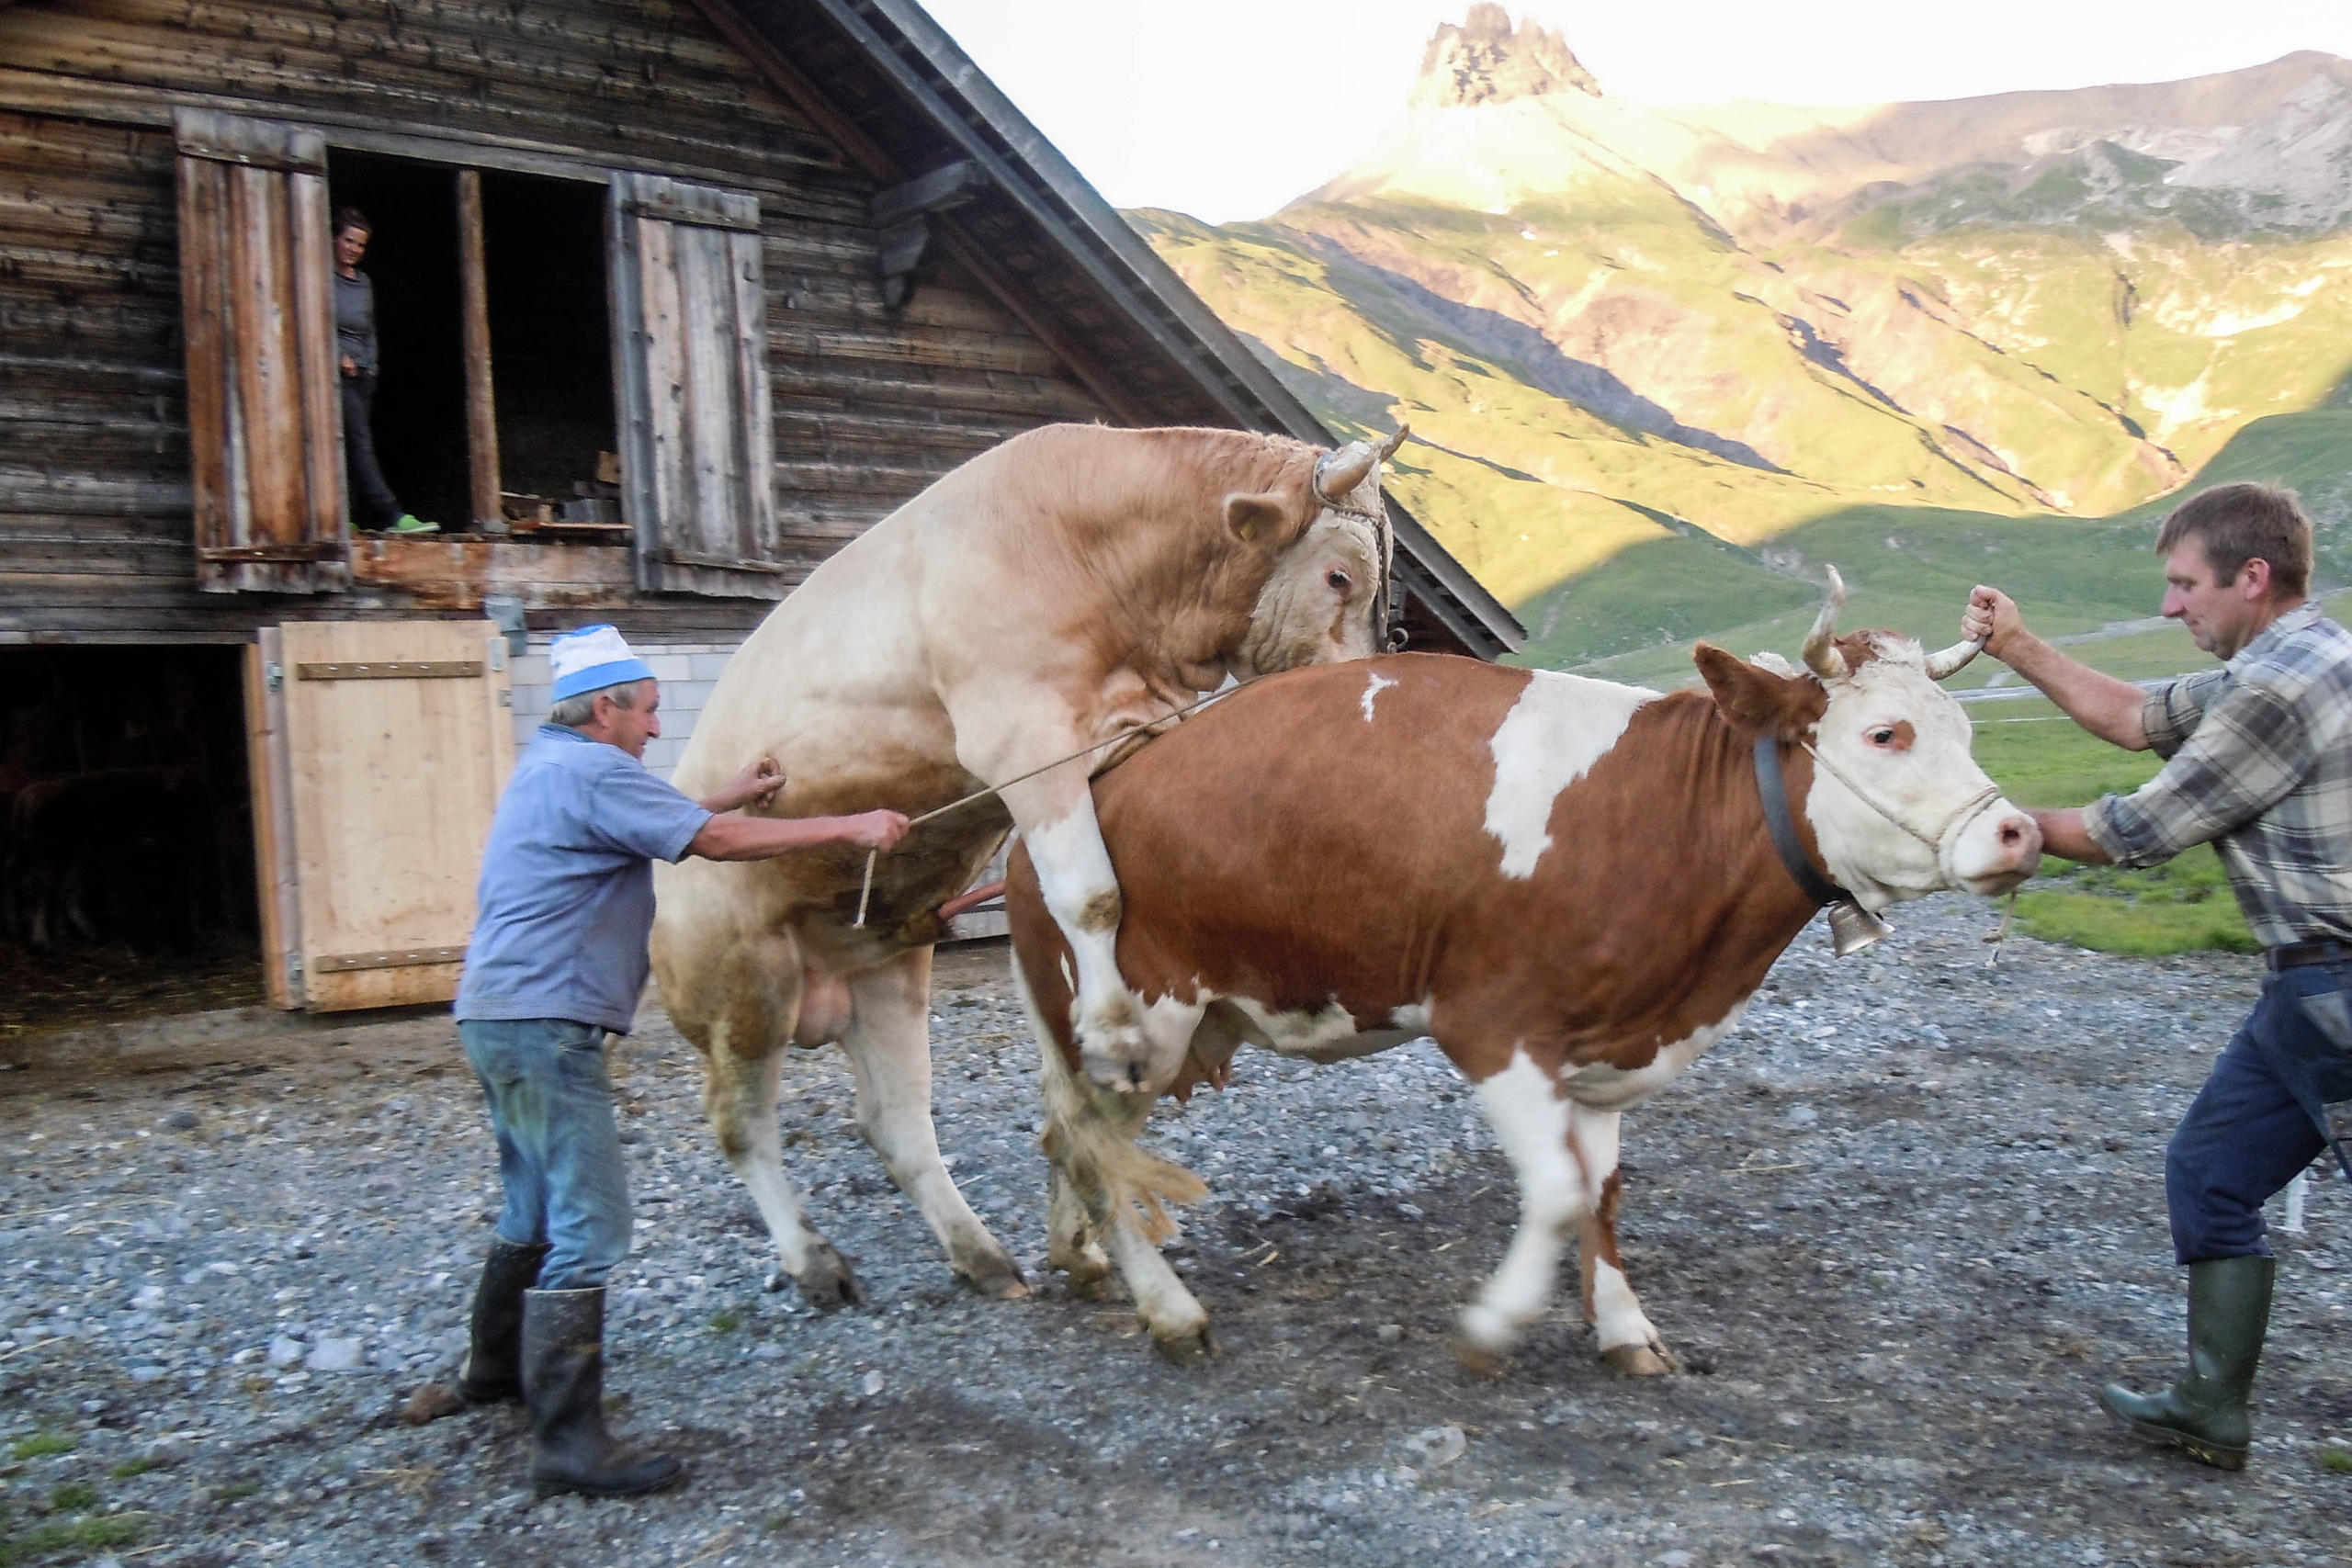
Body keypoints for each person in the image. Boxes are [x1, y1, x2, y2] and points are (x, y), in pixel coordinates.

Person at [449, 625, 909, 1497]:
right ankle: (569, 1444)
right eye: (651, 709)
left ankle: (492, 1373)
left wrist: (733, 790)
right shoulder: (589, 772)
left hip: (497, 1015)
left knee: (531, 1206)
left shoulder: (552, 768)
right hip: (547, 1024)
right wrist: (853, 823)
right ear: (606, 707)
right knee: (592, 1223)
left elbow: (668, 815)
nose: (657, 727)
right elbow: (712, 843)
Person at [1962, 482, 2352, 1472]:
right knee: (2210, 1174)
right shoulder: (2300, 654)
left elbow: (2135, 829)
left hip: (2338, 989)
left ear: (2251, 577)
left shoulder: (2271, 691)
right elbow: (2138, 717)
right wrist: (2016, 645)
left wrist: (1989, 825)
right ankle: (2210, 1407)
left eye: (2185, 586)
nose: (2172, 606)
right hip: (2301, 993)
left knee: (2213, 1177)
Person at [331, 207, 437, 536]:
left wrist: (372, 365)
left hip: (363, 377)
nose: (354, 250)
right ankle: (393, 515)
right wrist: (338, 355)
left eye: (361, 245)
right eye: (349, 241)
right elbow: (314, 317)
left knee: (352, 444)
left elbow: (370, 329)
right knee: (359, 443)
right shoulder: (321, 277)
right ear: (335, 239)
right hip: (337, 376)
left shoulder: (364, 283)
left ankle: (344, 517)